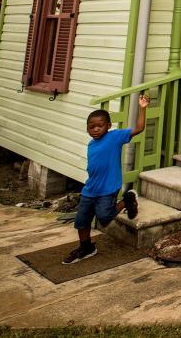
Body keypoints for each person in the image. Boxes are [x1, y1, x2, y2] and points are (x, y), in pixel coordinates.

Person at [63, 93, 148, 265]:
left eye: (99, 126)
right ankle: (86, 247)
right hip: (91, 189)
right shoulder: (91, 144)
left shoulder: (114, 137)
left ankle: (127, 200)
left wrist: (142, 108)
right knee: (81, 221)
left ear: (108, 126)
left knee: (104, 216)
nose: (95, 129)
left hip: (108, 188)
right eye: (91, 127)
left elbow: (139, 128)